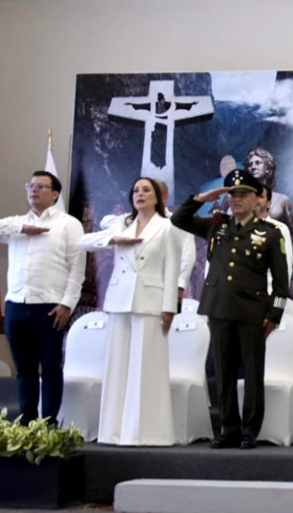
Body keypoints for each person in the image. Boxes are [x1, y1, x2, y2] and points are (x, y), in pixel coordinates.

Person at [171, 170, 290, 450]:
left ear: (256, 198)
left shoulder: (270, 234)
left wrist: (273, 316)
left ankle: (249, 430)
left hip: (252, 312)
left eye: (243, 194)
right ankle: (228, 428)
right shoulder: (217, 226)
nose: (236, 199)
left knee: (251, 374)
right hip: (220, 308)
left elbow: (282, 284)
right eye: (232, 194)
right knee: (223, 373)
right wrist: (204, 197)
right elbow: (179, 219)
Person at [0, 170, 85, 424]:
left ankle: (47, 423)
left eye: (41, 186)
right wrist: (22, 227)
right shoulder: (15, 223)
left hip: (49, 306)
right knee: (24, 369)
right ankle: (25, 421)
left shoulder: (68, 224)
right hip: (16, 304)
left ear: (55, 194)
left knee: (50, 367)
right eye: (30, 186)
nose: (33, 190)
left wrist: (67, 303)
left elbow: (77, 268)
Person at [81, 177, 181, 446]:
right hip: (119, 299)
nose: (140, 194)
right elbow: (84, 242)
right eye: (136, 190)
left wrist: (170, 307)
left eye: (146, 190)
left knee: (146, 367)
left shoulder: (168, 226)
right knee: (118, 366)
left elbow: (172, 269)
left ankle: (147, 431)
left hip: (151, 301)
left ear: (158, 197)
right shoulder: (121, 223)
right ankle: (114, 430)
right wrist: (113, 240)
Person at [244, 146, 293, 242]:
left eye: (258, 163)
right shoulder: (242, 200)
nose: (253, 167)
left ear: (267, 168)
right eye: (250, 164)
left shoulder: (282, 200)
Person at [255, 184, 293, 293]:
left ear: (269, 203)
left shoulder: (280, 229)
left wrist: (278, 298)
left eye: (260, 196)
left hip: (268, 295)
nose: (255, 200)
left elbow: (285, 268)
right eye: (252, 196)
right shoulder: (238, 228)